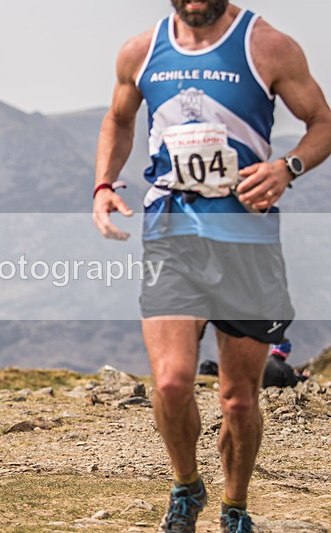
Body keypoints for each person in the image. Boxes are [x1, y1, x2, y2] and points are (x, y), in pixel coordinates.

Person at [93, 2, 331, 531]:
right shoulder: (141, 50)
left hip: (247, 244)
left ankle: (235, 505)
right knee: (174, 383)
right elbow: (118, 118)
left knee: (239, 400)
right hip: (171, 237)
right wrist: (104, 184)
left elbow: (322, 123)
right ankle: (186, 487)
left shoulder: (267, 45)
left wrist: (287, 168)